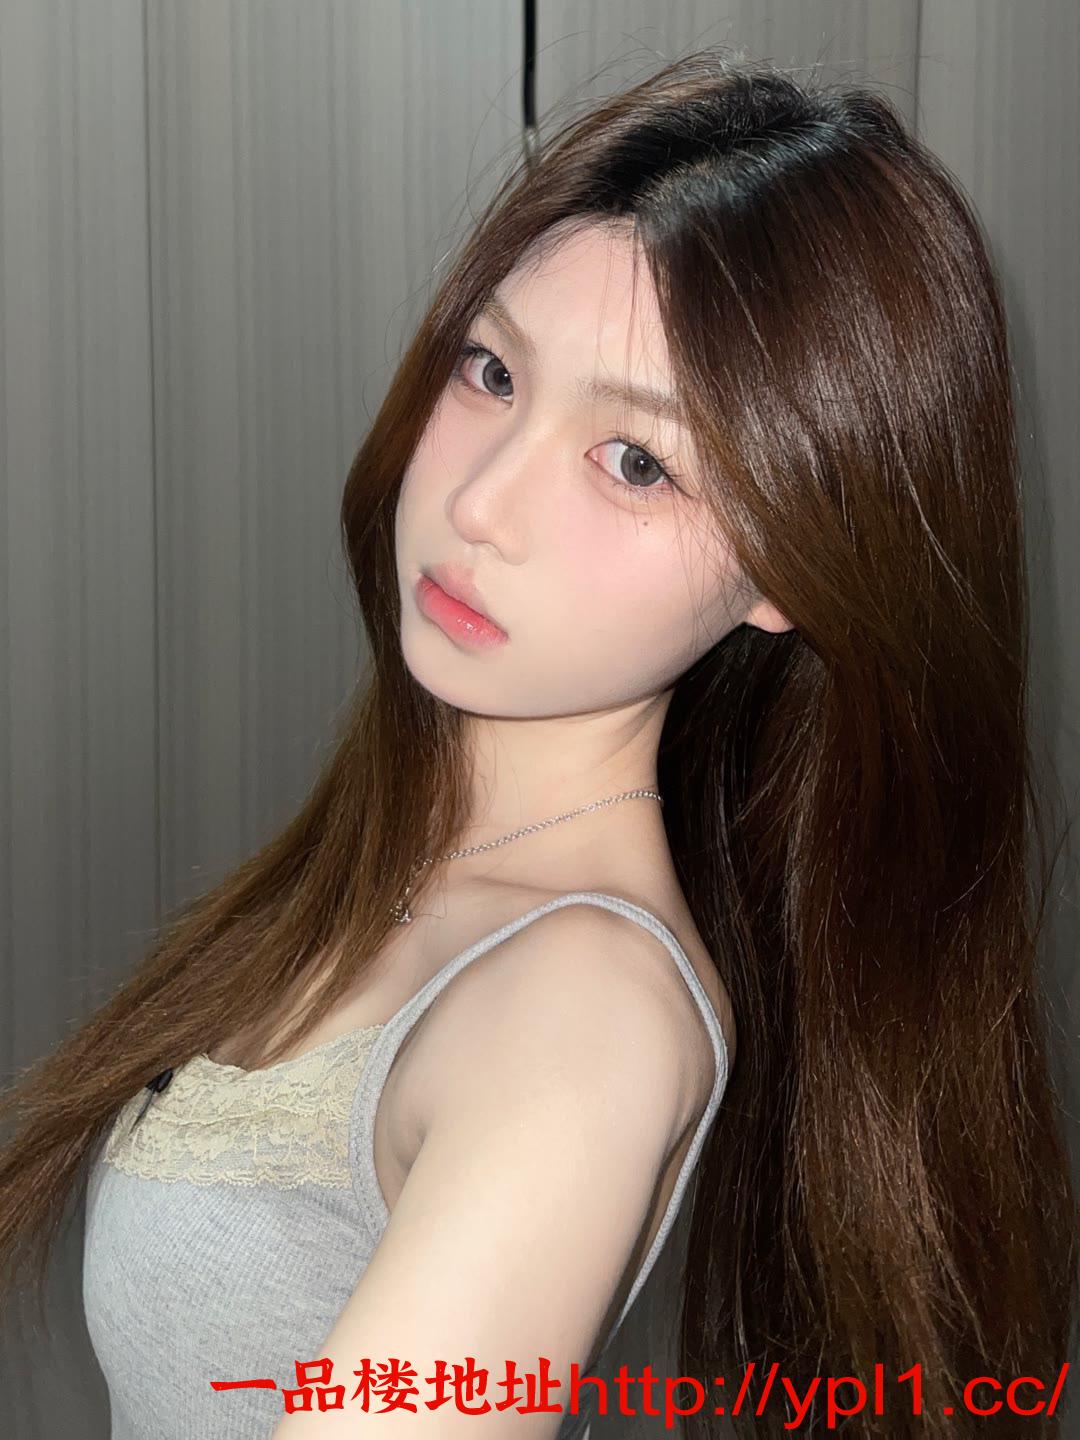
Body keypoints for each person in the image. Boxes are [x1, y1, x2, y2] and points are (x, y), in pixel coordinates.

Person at [0, 47, 1075, 1440]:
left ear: (792, 564)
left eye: (637, 462)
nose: (482, 503)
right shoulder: (399, 860)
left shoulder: (588, 1009)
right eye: (493, 370)